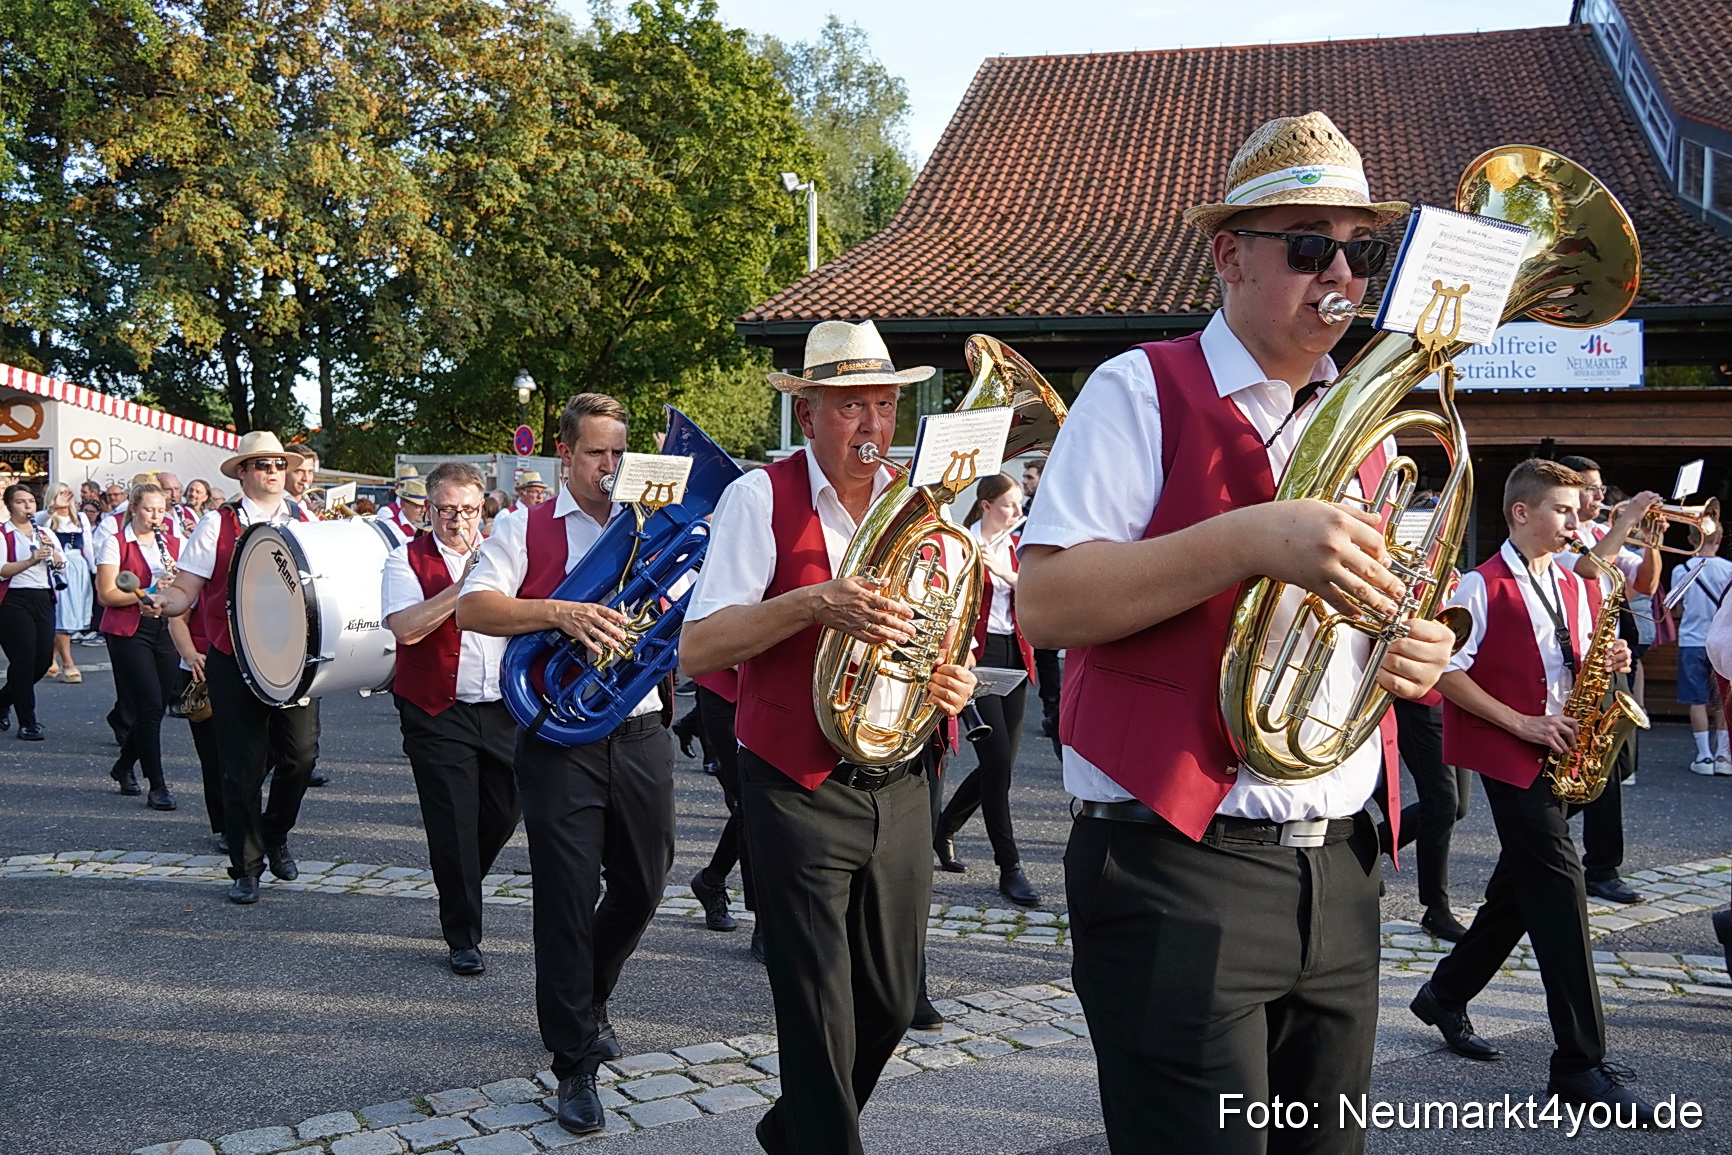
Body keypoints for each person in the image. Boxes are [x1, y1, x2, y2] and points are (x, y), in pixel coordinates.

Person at [1016, 112, 1455, 1154]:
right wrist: (1253, 537)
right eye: (1308, 246)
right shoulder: (1138, 387)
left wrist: (1415, 649)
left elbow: (1370, 614)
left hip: (1340, 863)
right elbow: (1049, 604)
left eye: (1359, 251)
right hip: (1175, 865)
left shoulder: (1363, 423)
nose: (1339, 273)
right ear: (1229, 256)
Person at [681, 319, 976, 1155]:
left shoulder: (917, 505)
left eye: (884, 405)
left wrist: (950, 679)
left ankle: (795, 1129)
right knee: (817, 1008)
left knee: (892, 999)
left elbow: (938, 631)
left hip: (902, 775)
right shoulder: (759, 497)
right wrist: (815, 602)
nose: (872, 425)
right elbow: (699, 647)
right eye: (851, 407)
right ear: (807, 414)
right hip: (794, 781)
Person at [457, 393, 677, 1137]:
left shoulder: (652, 522)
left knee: (644, 883)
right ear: (565, 455)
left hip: (639, 727)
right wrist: (560, 611)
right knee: (566, 898)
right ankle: (574, 1061)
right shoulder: (526, 525)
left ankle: (589, 994)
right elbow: (474, 607)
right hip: (558, 737)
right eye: (594, 453)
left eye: (618, 452)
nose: (608, 467)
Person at [1414, 458, 1655, 1123]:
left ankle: (1444, 993)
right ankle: (1579, 1062)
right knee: (1559, 893)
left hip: (1564, 752)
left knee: (1516, 894)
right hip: (1511, 752)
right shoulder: (1479, 585)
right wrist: (1519, 721)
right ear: (1522, 513)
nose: (1579, 520)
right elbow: (1444, 670)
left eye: (1579, 509)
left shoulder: (1576, 583)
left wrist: (1612, 657)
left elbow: (1575, 656)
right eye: (1564, 510)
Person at [156, 432, 317, 904]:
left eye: (279, 464)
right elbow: (185, 590)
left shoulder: (305, 520)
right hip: (234, 655)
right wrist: (164, 603)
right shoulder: (215, 523)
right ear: (242, 472)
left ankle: (275, 833)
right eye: (262, 464)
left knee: (300, 758)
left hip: (294, 658)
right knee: (241, 768)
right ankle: (246, 866)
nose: (274, 471)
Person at [383, 462, 520, 975]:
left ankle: (458, 881)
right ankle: (463, 936)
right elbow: (406, 628)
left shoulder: (505, 554)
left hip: (502, 706)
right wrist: (463, 586)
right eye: (445, 510)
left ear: (483, 508)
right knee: (454, 823)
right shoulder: (405, 558)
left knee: (505, 811)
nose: (457, 520)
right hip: (436, 710)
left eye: (467, 509)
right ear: (428, 510)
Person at [1556, 455, 1659, 906]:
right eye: (1590, 488)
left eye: (1600, 488)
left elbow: (1646, 585)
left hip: (1610, 660)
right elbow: (1590, 569)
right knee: (1604, 771)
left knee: (1621, 764)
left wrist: (1651, 541)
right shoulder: (1563, 535)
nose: (1599, 496)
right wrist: (1629, 518)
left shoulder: (1603, 531)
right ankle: (1601, 867)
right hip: (1578, 663)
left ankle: (1544, 832)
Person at [933, 472, 1040, 906]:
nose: (1017, 511)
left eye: (1018, 504)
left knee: (1002, 767)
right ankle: (1009, 866)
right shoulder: (962, 544)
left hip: (1015, 654)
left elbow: (1038, 593)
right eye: (1010, 504)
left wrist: (1006, 573)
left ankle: (944, 827)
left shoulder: (1017, 546)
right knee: (995, 762)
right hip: (976, 658)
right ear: (986, 505)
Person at [95, 482, 190, 811]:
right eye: (149, 509)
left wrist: (172, 590)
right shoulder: (115, 542)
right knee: (149, 707)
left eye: (161, 510)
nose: (156, 516)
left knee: (157, 707)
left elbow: (187, 589)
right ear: (134, 508)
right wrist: (150, 590)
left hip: (165, 627)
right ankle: (158, 785)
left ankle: (123, 766)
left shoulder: (176, 542)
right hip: (128, 630)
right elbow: (106, 594)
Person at [0, 484, 67, 740]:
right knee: (23, 659)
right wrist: (31, 560)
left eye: (30, 501)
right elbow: (2, 570)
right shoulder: (3, 534)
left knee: (42, 662)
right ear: (9, 506)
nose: (27, 506)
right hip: (13, 599)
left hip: (43, 597)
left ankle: (2, 701)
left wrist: (53, 554)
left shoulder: (45, 532)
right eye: (20, 501)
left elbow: (62, 566)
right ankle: (28, 721)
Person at [1671, 525, 1732, 774]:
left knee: (1696, 699)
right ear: (1719, 539)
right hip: (1722, 641)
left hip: (1691, 640)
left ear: (1690, 539)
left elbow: (1676, 608)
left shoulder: (1681, 570)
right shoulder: (1729, 569)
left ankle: (1704, 756)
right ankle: (1723, 756)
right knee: (1724, 698)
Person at [36, 483, 93, 683]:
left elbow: (88, 546)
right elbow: (39, 522)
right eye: (60, 493)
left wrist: (94, 571)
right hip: (58, 567)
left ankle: (50, 658)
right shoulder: (46, 517)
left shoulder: (80, 518)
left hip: (79, 567)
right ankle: (68, 664)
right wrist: (53, 507)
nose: (65, 497)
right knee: (64, 615)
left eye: (66, 492)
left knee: (74, 615)